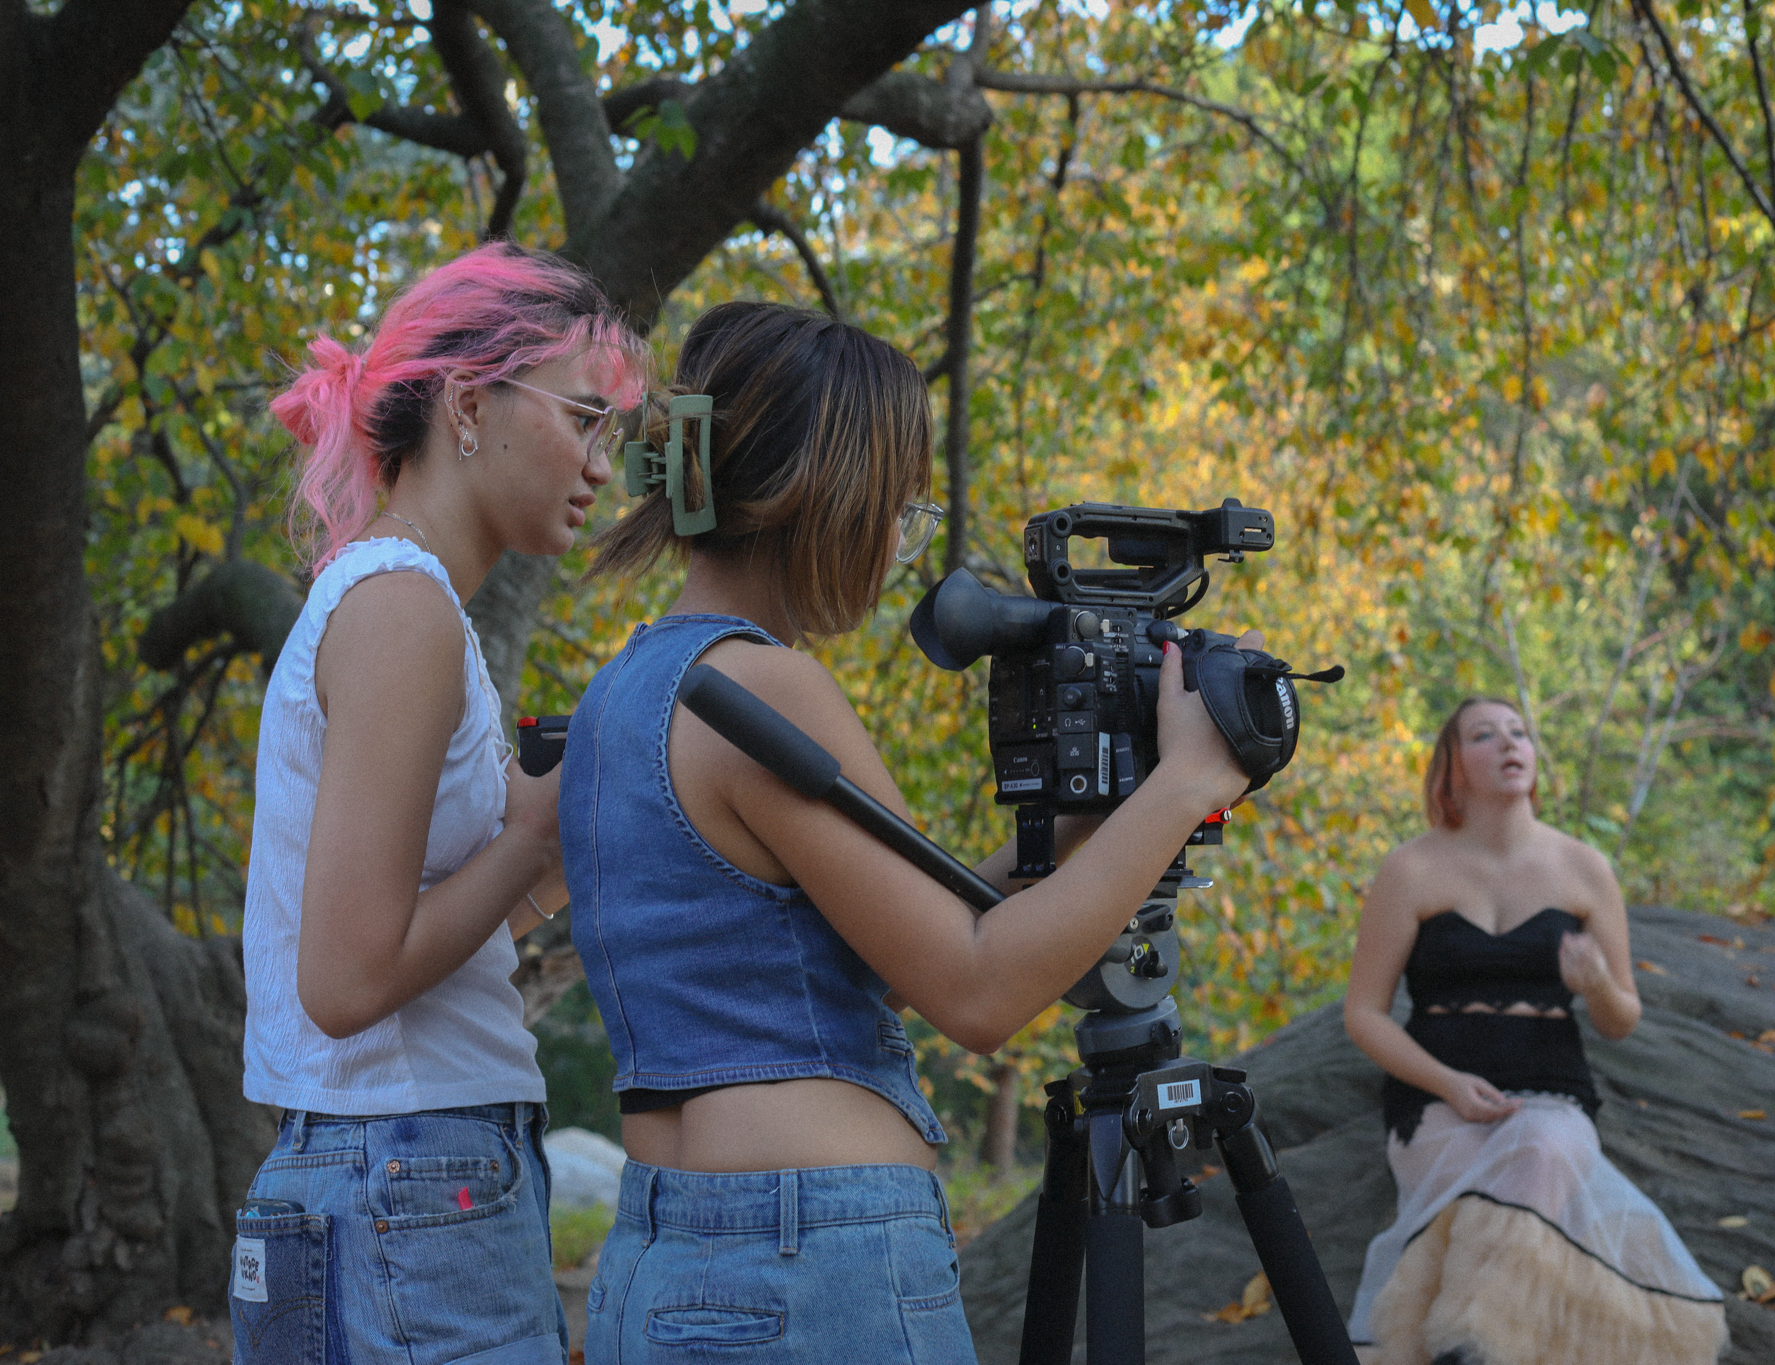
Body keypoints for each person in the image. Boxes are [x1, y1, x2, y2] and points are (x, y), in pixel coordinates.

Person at [559, 301, 1258, 1364]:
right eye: (899, 505)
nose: (901, 540)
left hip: (666, 1253)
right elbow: (976, 992)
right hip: (810, 1258)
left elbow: (859, 963)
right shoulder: (767, 686)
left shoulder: (632, 691)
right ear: (828, 497)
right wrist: (1186, 783)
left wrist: (1075, 831)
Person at [236, 242, 645, 1364]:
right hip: (415, 1179)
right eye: (583, 417)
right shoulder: (401, 608)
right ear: (470, 402)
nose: (602, 465)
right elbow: (347, 979)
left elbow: (416, 933)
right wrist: (528, 832)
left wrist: (551, 846)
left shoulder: (390, 602)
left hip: (375, 1171)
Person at [1342, 698, 1726, 1365]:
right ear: (1451, 768)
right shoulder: (1410, 869)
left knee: (1543, 1152)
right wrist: (1449, 1085)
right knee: (1468, 1181)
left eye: (1519, 732)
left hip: (1550, 1087)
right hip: (1435, 1089)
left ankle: (1463, 1346)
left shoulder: (1584, 868)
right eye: (1484, 735)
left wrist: (1598, 984)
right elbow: (1364, 1012)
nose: (1509, 743)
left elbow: (1620, 1018)